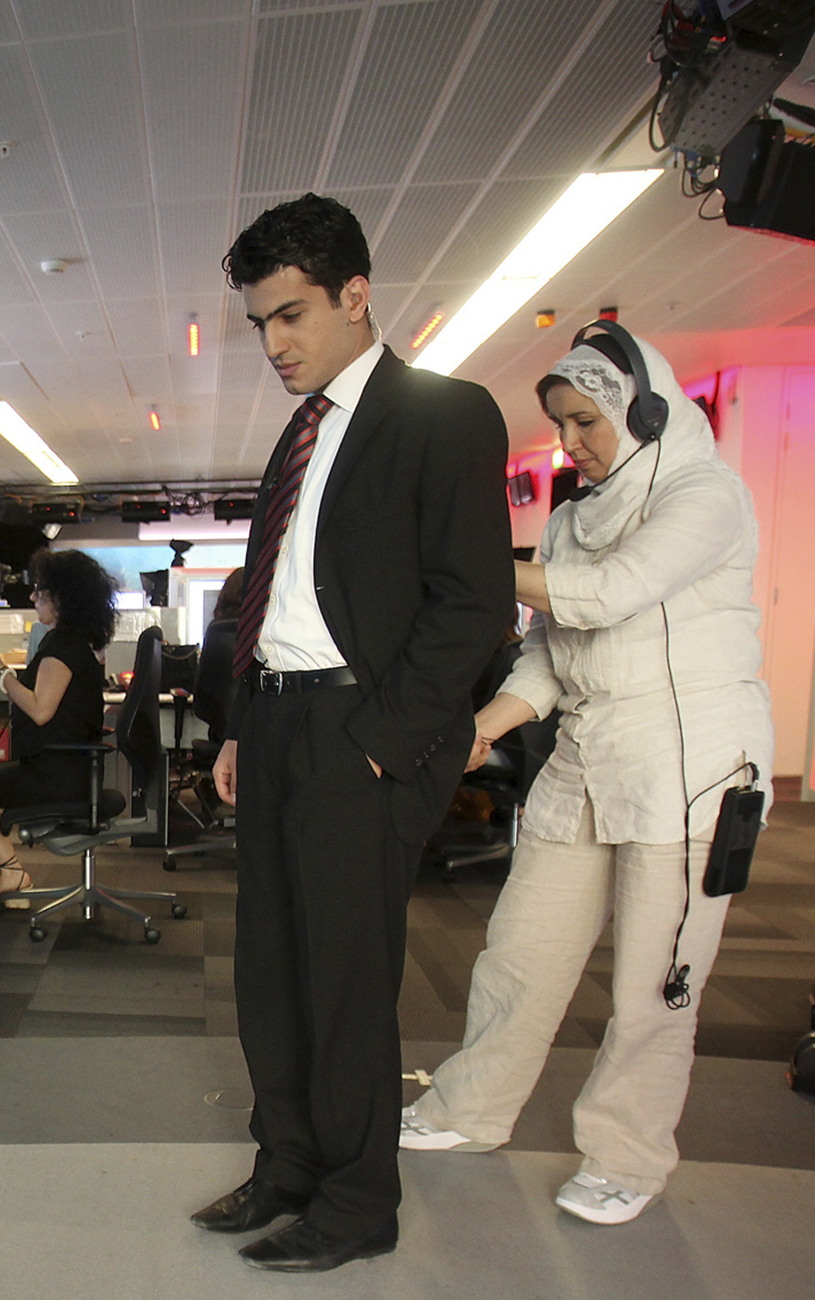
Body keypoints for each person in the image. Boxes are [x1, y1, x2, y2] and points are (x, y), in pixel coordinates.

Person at [195, 194, 513, 1272]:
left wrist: (382, 741)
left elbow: (473, 601)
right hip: (279, 721)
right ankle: (286, 1164)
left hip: (356, 729)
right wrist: (242, 726)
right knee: (269, 972)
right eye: (260, 323)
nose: (273, 344)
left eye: (291, 315)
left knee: (343, 980)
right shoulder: (299, 434)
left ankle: (358, 1200)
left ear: (356, 294)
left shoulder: (442, 413)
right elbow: (271, 598)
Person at [397, 327, 771, 1226]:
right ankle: (471, 1107)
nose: (569, 443)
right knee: (519, 953)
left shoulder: (706, 495)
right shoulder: (570, 520)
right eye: (560, 425)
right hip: (586, 755)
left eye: (585, 423)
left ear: (646, 412)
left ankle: (625, 1156)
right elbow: (549, 652)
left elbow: (607, 595)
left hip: (689, 766)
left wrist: (464, 565)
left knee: (654, 985)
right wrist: (486, 726)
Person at [0, 549, 115, 928]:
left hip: (58, 777)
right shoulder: (74, 642)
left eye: (41, 590)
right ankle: (11, 874)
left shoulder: (62, 646)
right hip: (71, 771)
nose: (33, 596)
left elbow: (39, 710)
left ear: (62, 597)